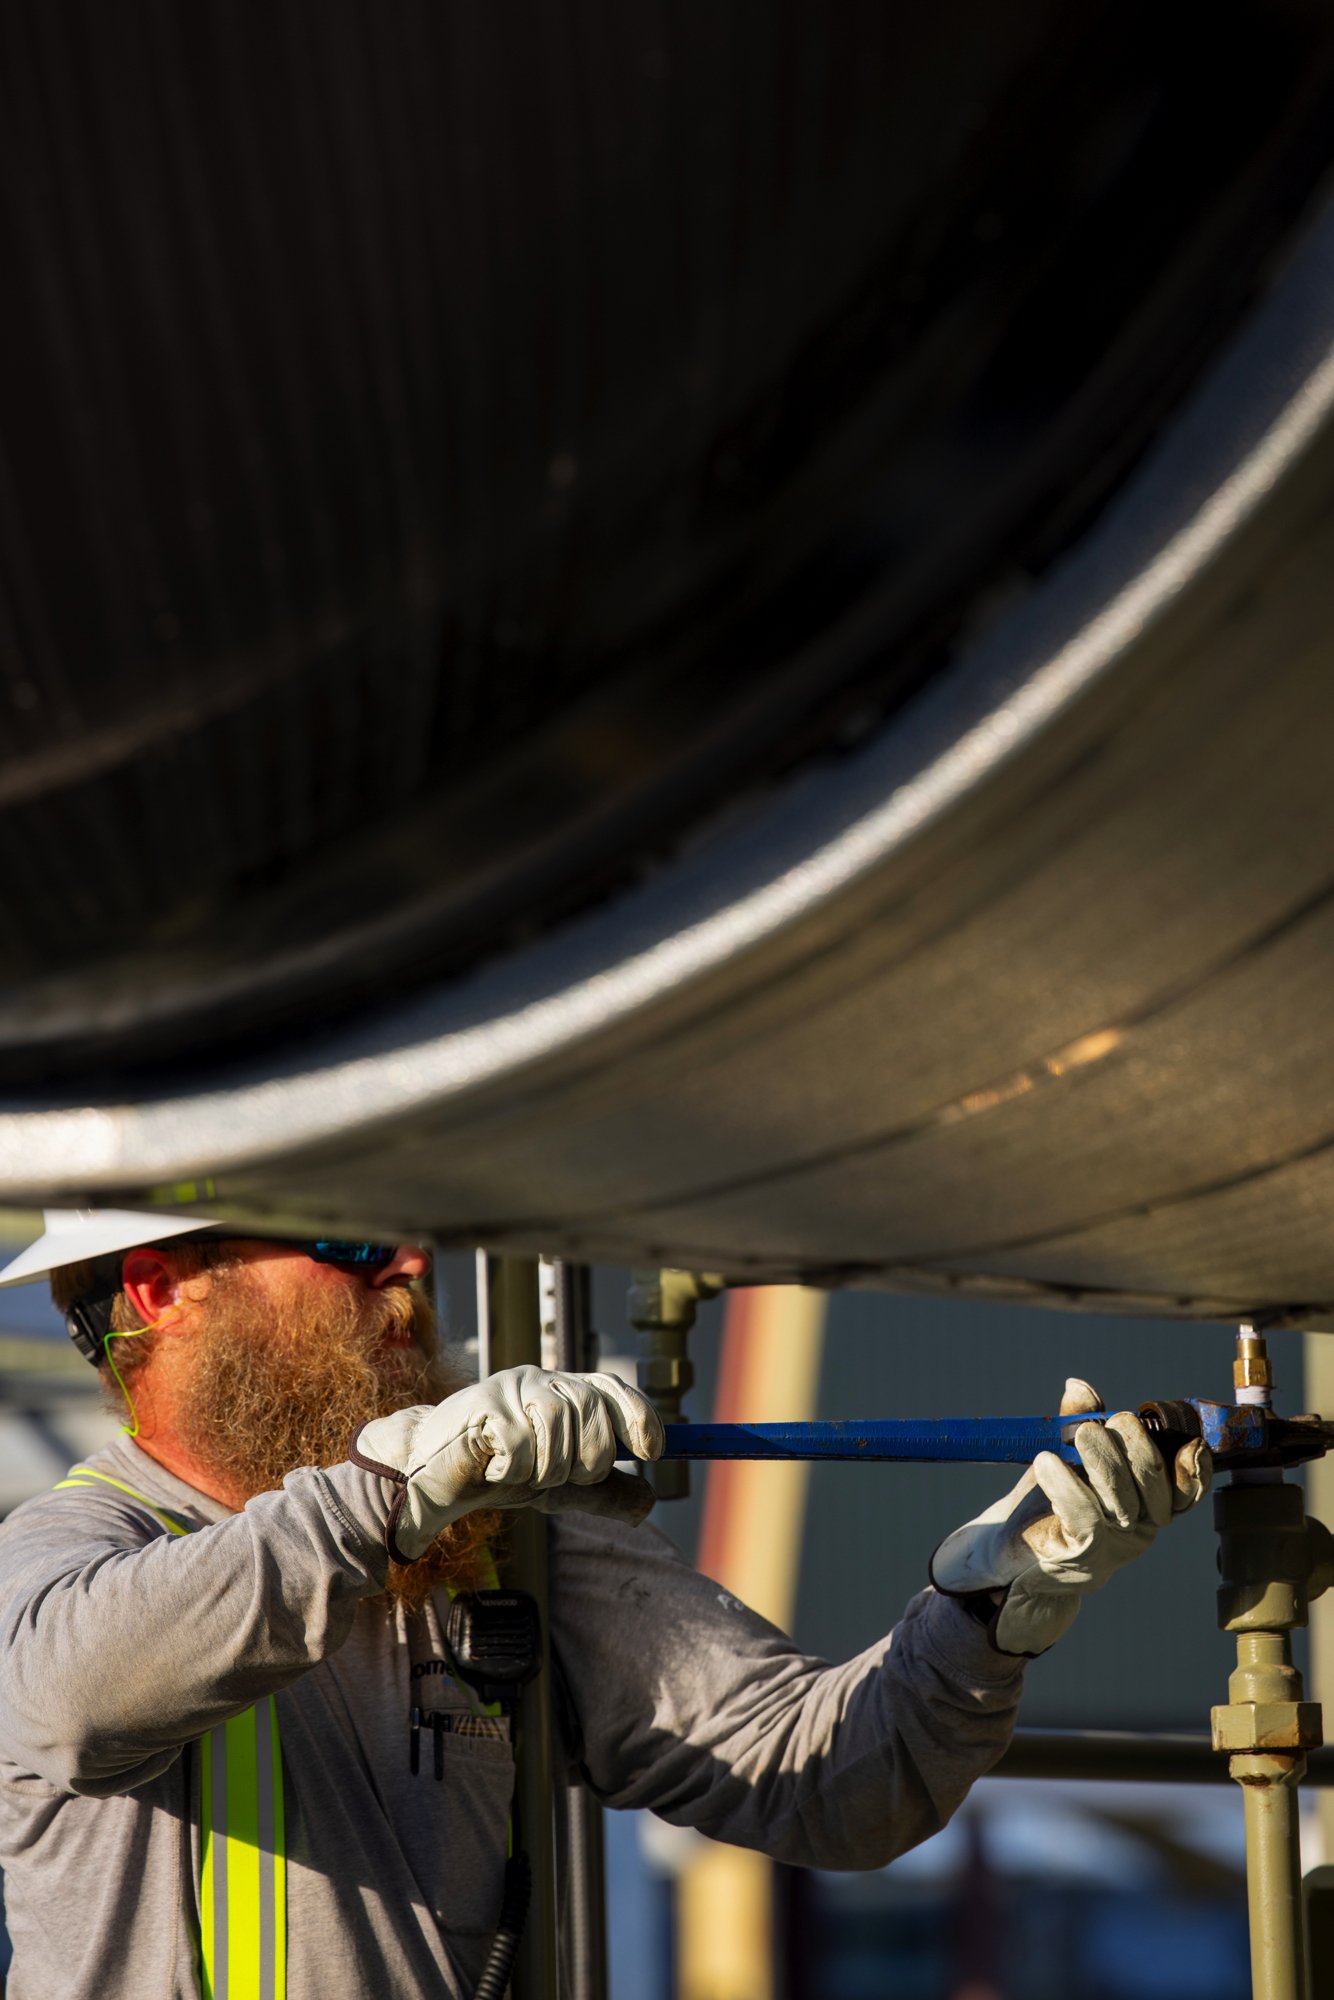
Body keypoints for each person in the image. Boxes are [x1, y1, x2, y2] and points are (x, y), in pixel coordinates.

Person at [0, 1210, 1210, 2000]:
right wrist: (386, 1497)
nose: (410, 1263)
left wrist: (995, 1601)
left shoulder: (490, 1544)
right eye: (345, 1240)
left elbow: (831, 1781)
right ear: (163, 1290)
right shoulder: (74, 1548)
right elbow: (74, 1697)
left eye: (402, 1234)